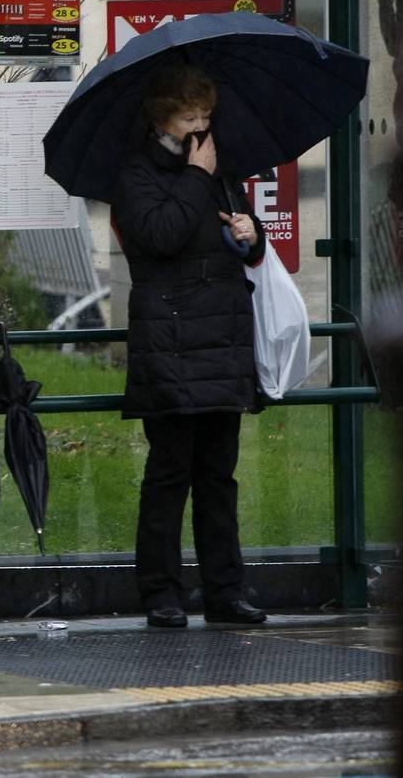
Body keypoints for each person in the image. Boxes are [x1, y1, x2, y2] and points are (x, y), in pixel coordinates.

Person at [111, 63, 268, 629]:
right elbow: (158, 237)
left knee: (219, 476)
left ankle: (227, 589)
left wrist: (254, 236)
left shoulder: (219, 170)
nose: (201, 126)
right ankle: (161, 592)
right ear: (162, 119)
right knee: (170, 472)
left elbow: (241, 246)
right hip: (170, 340)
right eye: (188, 116)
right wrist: (197, 177)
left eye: (205, 115)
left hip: (222, 337)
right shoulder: (137, 173)